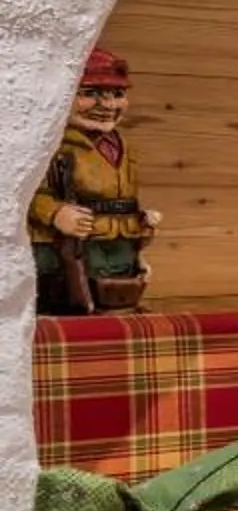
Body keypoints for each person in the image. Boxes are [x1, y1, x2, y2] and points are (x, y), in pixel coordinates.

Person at [28, 46, 160, 314]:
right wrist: (56, 213)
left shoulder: (123, 144)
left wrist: (141, 219)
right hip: (73, 245)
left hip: (121, 240)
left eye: (118, 94)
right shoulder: (50, 144)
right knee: (74, 302)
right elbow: (23, 195)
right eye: (90, 94)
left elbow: (121, 192)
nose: (109, 105)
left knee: (123, 295)